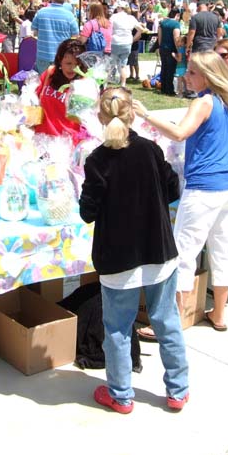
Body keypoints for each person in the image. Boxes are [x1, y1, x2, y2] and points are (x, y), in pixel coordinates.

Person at [79, 87, 188, 414]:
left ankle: (121, 395)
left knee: (117, 329)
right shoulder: (151, 150)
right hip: (158, 252)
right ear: (132, 113)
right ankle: (178, 391)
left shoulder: (98, 160)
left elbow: (88, 212)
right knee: (166, 320)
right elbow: (172, 188)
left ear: (100, 116)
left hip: (118, 259)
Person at [132, 51, 228, 332]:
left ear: (207, 76)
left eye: (192, 73)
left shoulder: (204, 102)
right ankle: (219, 315)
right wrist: (222, 151)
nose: (186, 77)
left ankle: (170, 323)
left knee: (183, 255)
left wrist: (146, 114)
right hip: (227, 187)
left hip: (203, 190)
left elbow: (179, 133)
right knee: (221, 252)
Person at [35, 39, 88, 143]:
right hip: (42, 139)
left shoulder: (84, 83)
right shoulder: (50, 73)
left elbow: (88, 119)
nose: (72, 68)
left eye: (77, 64)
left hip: (68, 144)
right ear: (60, 60)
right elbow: (35, 100)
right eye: (68, 63)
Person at [31, 0, 79, 75]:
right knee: (59, 83)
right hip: (62, 55)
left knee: (44, 83)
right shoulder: (69, 16)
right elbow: (75, 35)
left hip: (43, 54)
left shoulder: (41, 12)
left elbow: (34, 31)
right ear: (64, 1)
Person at [157, 8, 182, 96]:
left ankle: (163, 87)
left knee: (164, 68)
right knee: (171, 70)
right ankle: (169, 89)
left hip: (163, 48)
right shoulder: (176, 24)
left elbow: (159, 36)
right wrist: (178, 51)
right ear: (177, 15)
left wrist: (160, 46)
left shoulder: (162, 23)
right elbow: (176, 38)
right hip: (172, 49)